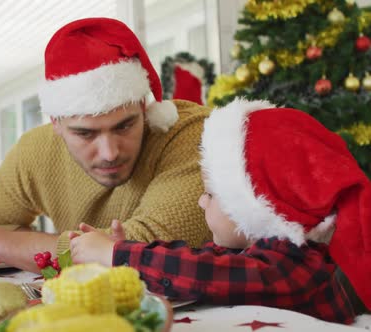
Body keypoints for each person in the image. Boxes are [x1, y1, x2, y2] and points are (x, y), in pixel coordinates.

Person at [0, 17, 212, 272]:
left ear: (143, 106)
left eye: (124, 126)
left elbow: (148, 249)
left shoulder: (189, 132)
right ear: (56, 122)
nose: (110, 153)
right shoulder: (36, 149)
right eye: (85, 133)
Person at [69, 98, 371, 324]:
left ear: (254, 206)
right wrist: (127, 253)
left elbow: (206, 272)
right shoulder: (257, 253)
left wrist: (116, 254)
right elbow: (199, 259)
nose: (201, 202)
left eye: (211, 194)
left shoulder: (296, 265)